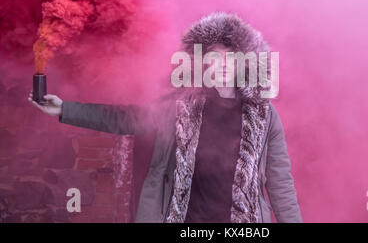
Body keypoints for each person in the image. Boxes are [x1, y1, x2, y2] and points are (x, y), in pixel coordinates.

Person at [28, 11, 302, 223]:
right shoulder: (180, 106)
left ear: (245, 63)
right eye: (213, 59)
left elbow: (281, 184)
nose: (221, 66)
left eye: (229, 59)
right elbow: (124, 118)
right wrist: (65, 109)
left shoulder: (264, 115)